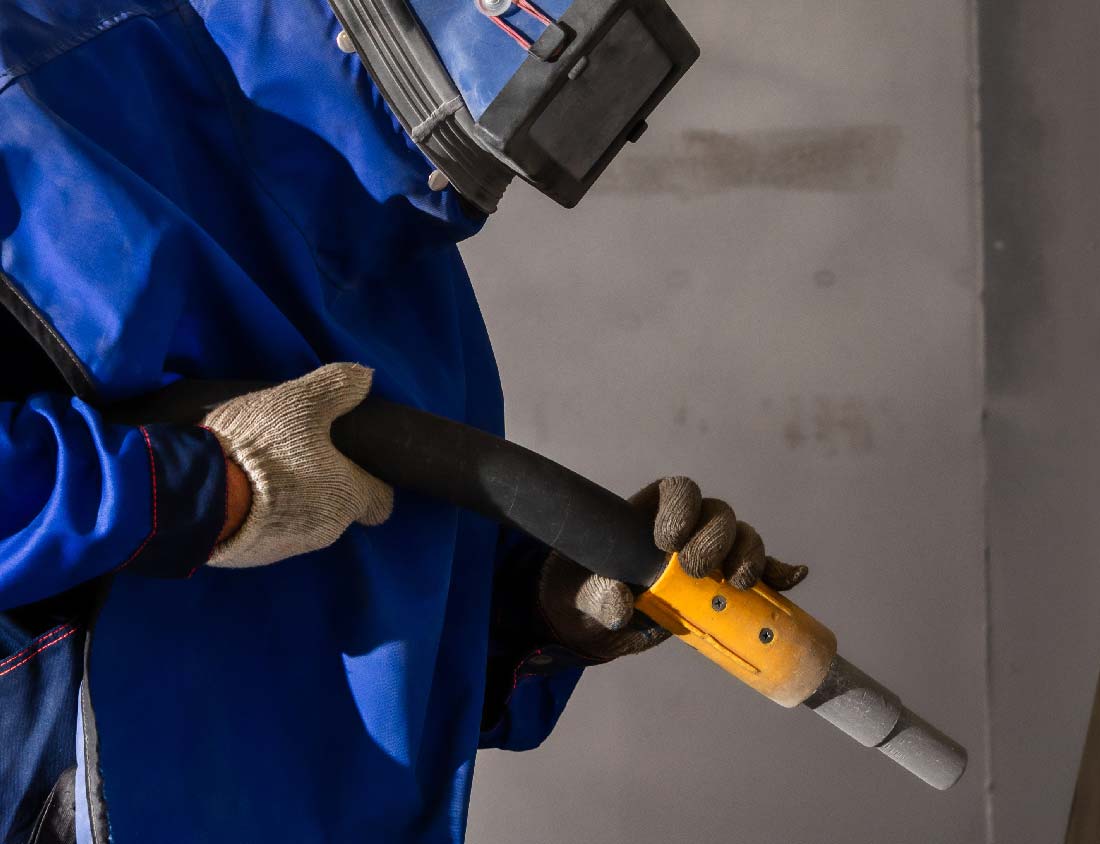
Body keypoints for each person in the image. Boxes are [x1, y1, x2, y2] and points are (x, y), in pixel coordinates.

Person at [0, 1, 805, 841]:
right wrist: (217, 487)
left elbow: (393, 665)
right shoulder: (34, 99)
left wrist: (550, 606)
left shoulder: (412, 280)